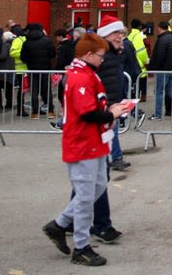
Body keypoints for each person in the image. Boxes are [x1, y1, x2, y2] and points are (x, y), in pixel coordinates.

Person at [42, 33, 132, 267]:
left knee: (98, 186)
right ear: (89, 55)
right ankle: (81, 246)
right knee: (85, 196)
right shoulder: (79, 77)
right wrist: (111, 113)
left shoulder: (87, 73)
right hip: (83, 142)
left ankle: (60, 224)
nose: (104, 59)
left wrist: (111, 110)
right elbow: (86, 113)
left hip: (95, 141)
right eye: (100, 55)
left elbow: (95, 106)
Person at [96, 16, 135, 170]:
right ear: (106, 34)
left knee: (112, 130)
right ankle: (111, 157)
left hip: (113, 100)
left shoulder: (114, 52)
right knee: (109, 131)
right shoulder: (101, 53)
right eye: (116, 33)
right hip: (105, 101)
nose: (120, 36)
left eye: (121, 33)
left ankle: (112, 157)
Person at [147, 20, 172, 121]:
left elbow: (160, 56)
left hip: (163, 70)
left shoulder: (162, 39)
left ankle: (157, 114)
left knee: (159, 91)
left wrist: (154, 68)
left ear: (159, 28)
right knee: (169, 90)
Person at [21, 23, 56, 119]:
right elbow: (52, 54)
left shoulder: (26, 43)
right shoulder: (47, 41)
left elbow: (23, 57)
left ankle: (35, 112)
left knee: (34, 91)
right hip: (45, 69)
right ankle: (51, 111)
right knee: (46, 90)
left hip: (32, 69)